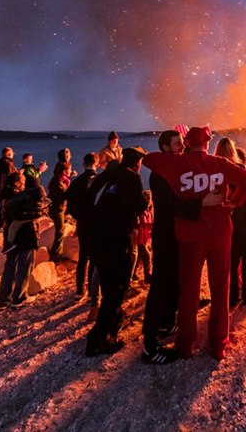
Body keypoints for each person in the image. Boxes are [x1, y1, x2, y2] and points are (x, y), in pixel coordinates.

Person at [143, 126, 246, 360]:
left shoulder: (177, 164)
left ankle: (186, 344)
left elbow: (148, 159)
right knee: (220, 289)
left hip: (189, 236)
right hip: (220, 233)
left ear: (187, 143)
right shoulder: (220, 163)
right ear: (207, 143)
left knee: (189, 291)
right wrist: (233, 203)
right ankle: (218, 343)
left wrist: (172, 156)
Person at [140, 130, 200, 365]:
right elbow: (172, 206)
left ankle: (166, 324)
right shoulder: (160, 174)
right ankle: (149, 345)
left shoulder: (172, 168)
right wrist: (201, 204)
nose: (182, 147)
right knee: (159, 285)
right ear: (165, 147)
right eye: (177, 144)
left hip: (175, 234)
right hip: (164, 235)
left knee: (174, 280)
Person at [84, 148, 149, 356]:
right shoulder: (132, 178)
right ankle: (98, 339)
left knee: (108, 284)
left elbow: (90, 200)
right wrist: (145, 200)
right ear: (138, 163)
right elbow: (132, 208)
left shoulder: (107, 176)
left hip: (96, 238)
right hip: (117, 239)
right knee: (117, 289)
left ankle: (115, 321)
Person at [216, 137, 246, 307]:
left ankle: (231, 296)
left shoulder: (216, 170)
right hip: (243, 221)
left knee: (229, 261)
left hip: (224, 220)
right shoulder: (241, 169)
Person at [0, 172, 47, 309]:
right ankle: (19, 298)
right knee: (25, 266)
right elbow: (20, 215)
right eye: (23, 181)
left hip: (10, 236)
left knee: (10, 266)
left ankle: (3, 300)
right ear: (17, 183)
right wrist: (38, 214)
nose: (24, 184)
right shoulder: (17, 197)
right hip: (25, 234)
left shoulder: (6, 195)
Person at [66, 153, 99, 302]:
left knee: (83, 256)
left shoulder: (77, 181)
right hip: (95, 223)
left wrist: (77, 216)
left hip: (82, 222)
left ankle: (79, 290)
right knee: (94, 257)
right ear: (97, 164)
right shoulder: (100, 180)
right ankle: (92, 292)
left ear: (84, 164)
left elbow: (69, 202)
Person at [47, 162, 72, 262]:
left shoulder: (62, 180)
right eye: (69, 170)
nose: (70, 171)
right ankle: (56, 256)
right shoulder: (57, 182)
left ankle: (57, 253)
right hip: (57, 210)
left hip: (60, 208)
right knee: (60, 232)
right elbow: (61, 197)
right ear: (65, 171)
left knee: (60, 231)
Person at [133, 190, 154, 283]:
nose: (148, 200)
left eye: (149, 198)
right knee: (146, 256)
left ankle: (134, 274)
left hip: (145, 240)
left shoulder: (150, 211)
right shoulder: (140, 211)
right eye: (146, 198)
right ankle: (147, 276)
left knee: (138, 259)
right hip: (138, 239)